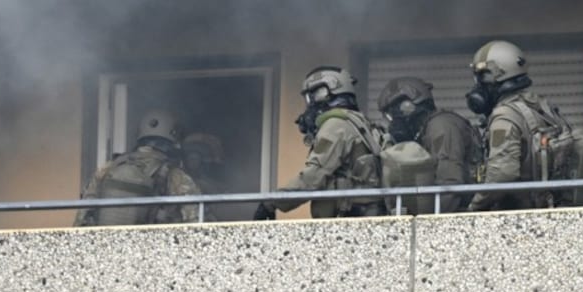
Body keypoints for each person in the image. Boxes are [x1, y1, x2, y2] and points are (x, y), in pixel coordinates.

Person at [253, 66, 385, 220]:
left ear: (324, 93)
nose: (309, 106)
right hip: (364, 217)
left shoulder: (336, 125)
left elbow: (314, 176)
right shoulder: (359, 123)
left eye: (311, 97)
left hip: (349, 220)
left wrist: (271, 202)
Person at [465, 40, 567, 211]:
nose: (479, 85)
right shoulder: (541, 106)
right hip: (548, 208)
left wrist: (474, 209)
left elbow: (502, 174)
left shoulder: (504, 116)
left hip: (516, 213)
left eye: (484, 76)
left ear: (501, 74)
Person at [74, 109, 201, 226]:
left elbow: (83, 214)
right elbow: (194, 220)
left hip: (104, 245)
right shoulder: (174, 174)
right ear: (174, 140)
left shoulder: (109, 167)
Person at [377, 76, 481, 212]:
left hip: (459, 213)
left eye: (393, 114)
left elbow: (449, 183)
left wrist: (432, 223)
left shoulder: (441, 127)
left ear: (408, 107)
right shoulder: (429, 128)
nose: (393, 122)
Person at [182, 132, 225, 220]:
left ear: (200, 162)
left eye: (196, 159)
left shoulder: (206, 182)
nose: (193, 162)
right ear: (186, 160)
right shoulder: (178, 178)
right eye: (191, 159)